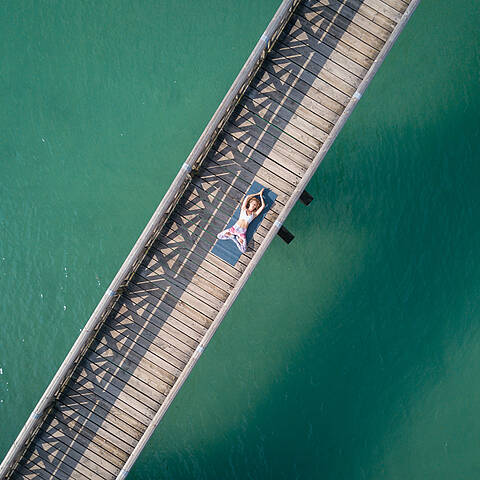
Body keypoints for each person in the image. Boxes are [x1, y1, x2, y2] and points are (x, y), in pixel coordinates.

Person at [217, 188, 265, 253]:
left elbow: (263, 206)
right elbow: (247, 197)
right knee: (219, 236)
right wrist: (258, 193)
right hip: (235, 228)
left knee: (243, 250)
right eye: (253, 204)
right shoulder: (243, 209)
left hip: (242, 232)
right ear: (250, 203)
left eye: (255, 205)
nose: (253, 206)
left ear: (256, 207)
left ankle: (235, 239)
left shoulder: (254, 214)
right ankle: (232, 237)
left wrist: (261, 196)